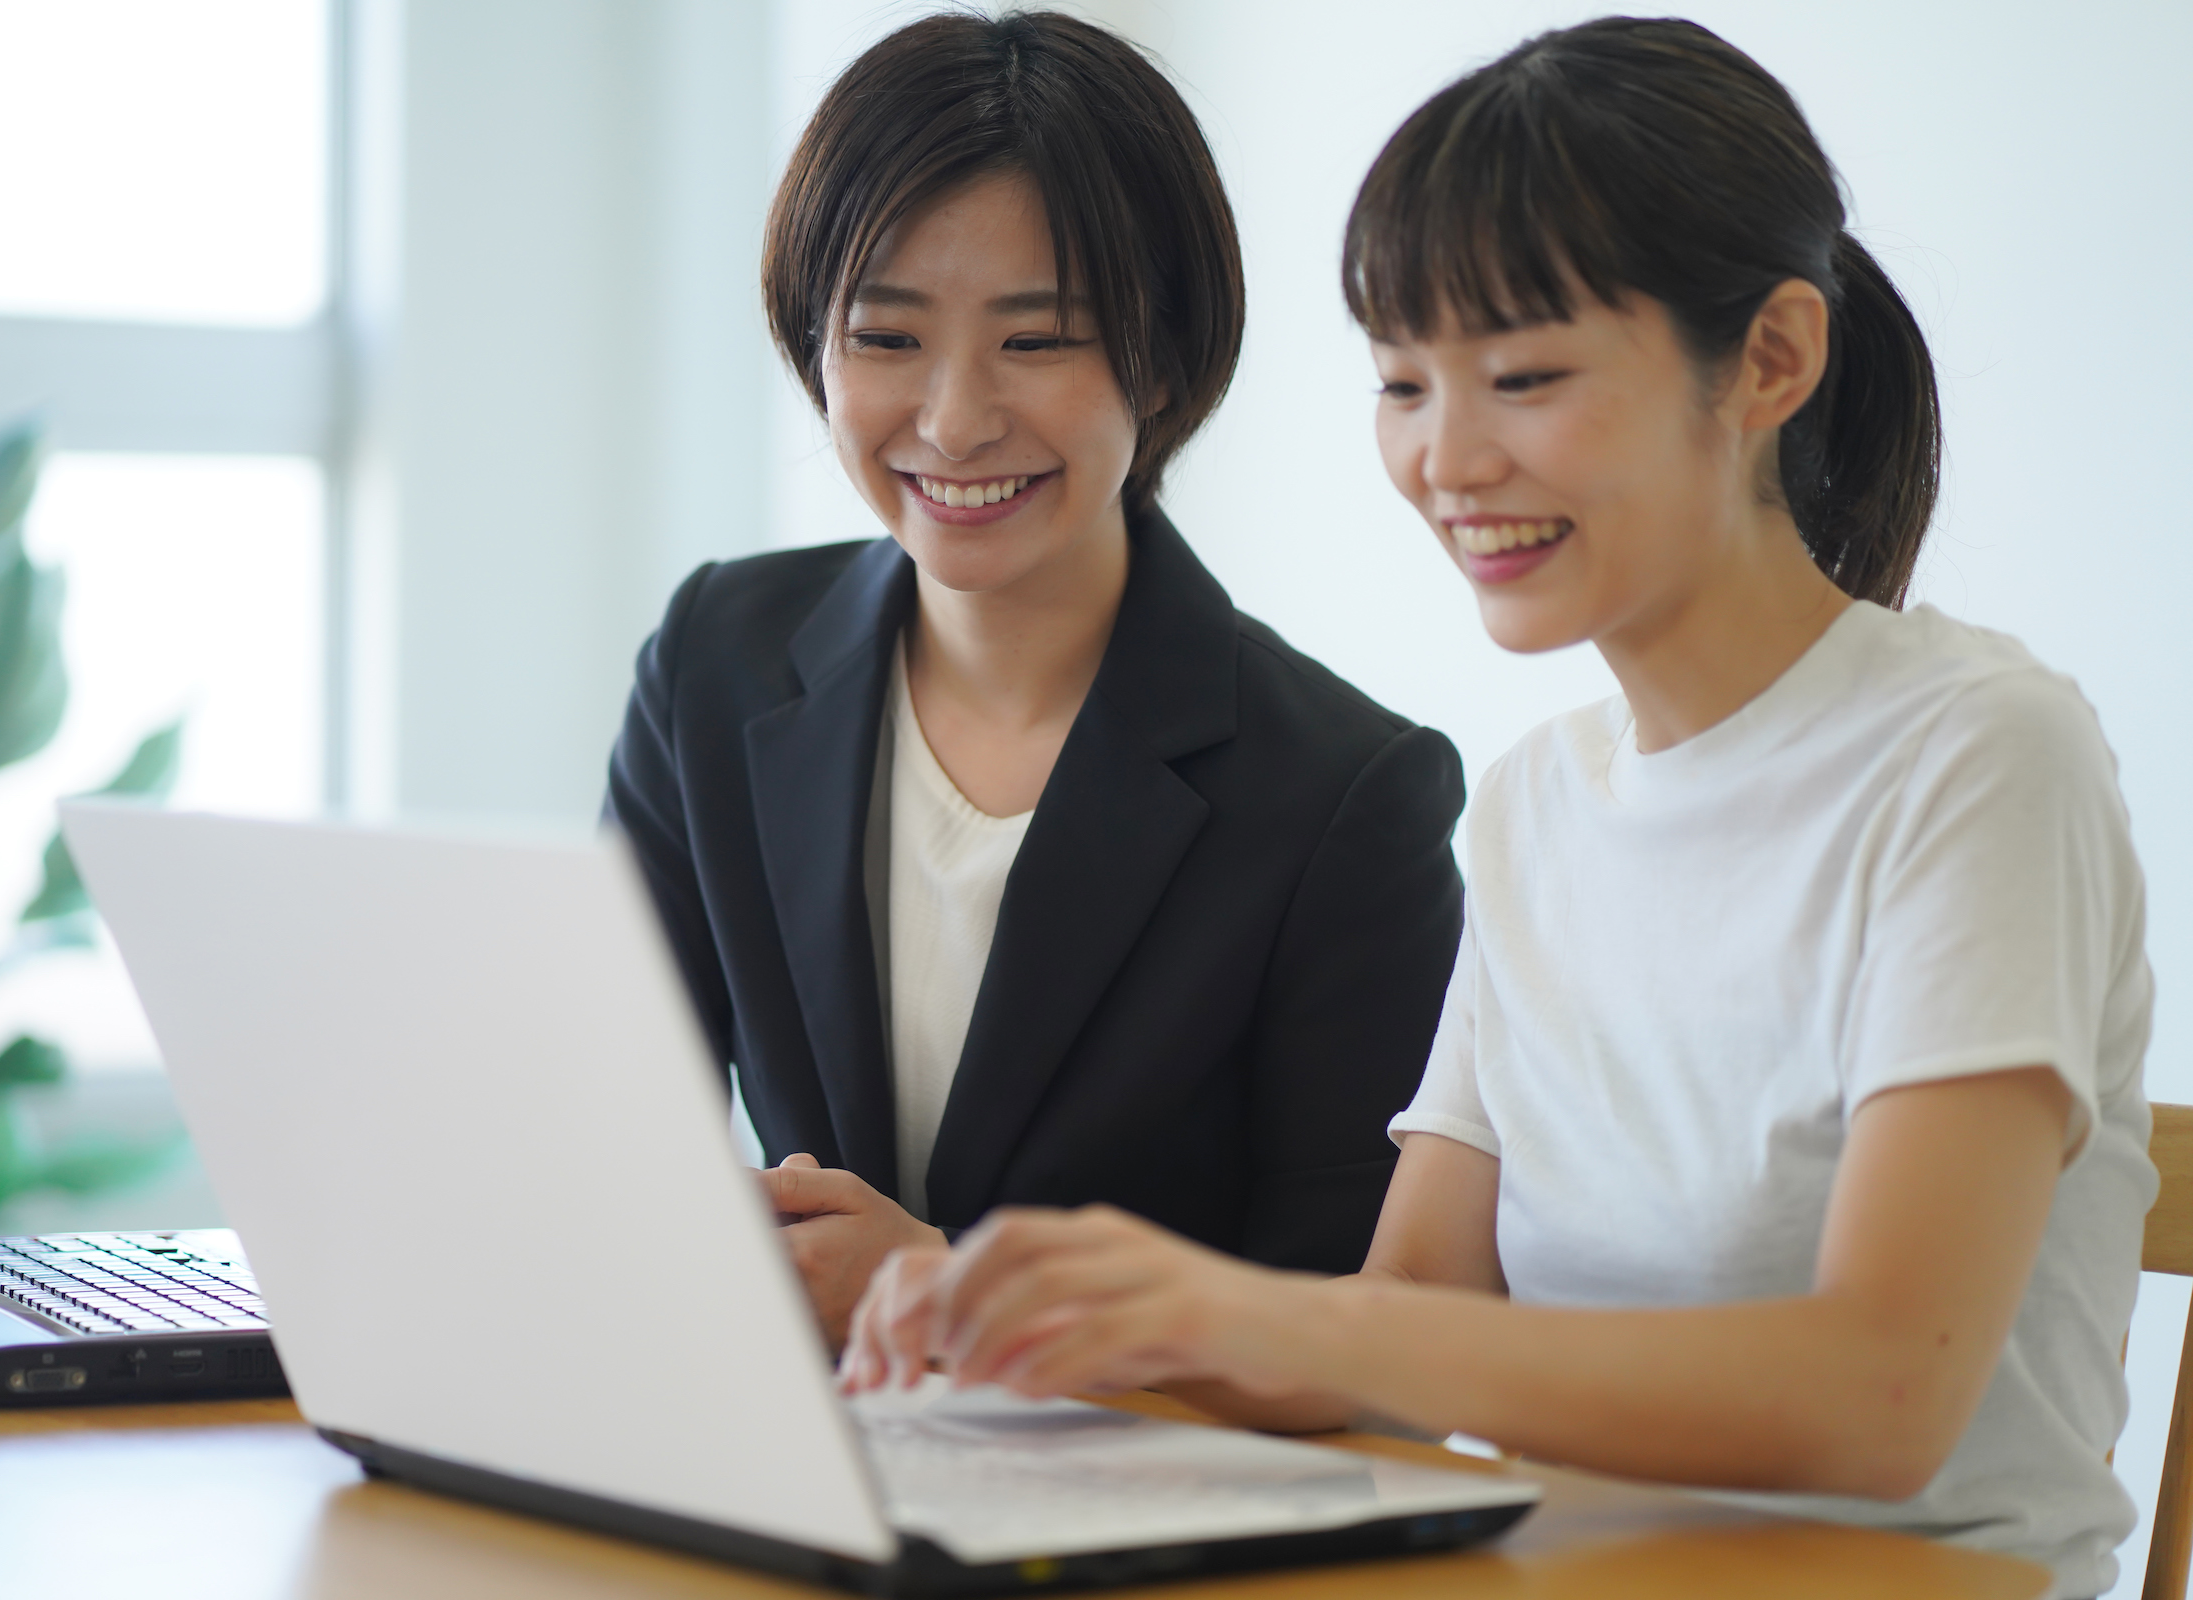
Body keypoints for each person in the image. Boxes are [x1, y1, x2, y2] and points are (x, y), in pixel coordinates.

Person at [839, 18, 2155, 1597]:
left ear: (1773, 360)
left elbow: (1879, 1397)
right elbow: (1391, 1336)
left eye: (1523, 378)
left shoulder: (1979, 754)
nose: (1446, 459)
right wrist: (1063, 1301)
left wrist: (1266, 1315)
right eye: (1404, 383)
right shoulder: (1543, 805)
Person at [605, 11, 1466, 1350]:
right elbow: (609, 1131)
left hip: (1147, 1518)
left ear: (1164, 357)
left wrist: (954, 1298)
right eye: (886, 339)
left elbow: (1360, 1342)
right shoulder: (714, 663)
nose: (952, 420)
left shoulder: (1345, 793)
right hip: (787, 1475)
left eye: (1039, 338)